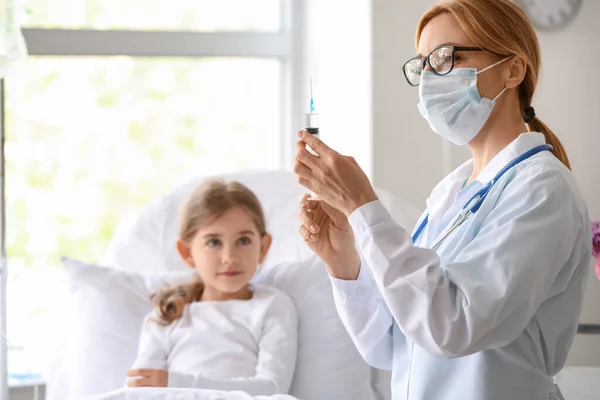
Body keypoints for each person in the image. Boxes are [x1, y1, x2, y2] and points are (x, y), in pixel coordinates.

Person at [293, 0, 591, 399]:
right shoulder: (451, 194)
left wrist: (364, 205)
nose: (430, 79)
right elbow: (392, 345)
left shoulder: (543, 189)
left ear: (512, 69)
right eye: (423, 65)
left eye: (445, 58)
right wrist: (344, 257)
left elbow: (453, 327)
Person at [126, 179, 298, 395]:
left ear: (263, 247)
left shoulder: (272, 305)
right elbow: (138, 387)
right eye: (214, 242)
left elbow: (272, 388)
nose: (229, 257)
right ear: (188, 253)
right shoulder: (169, 315)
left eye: (243, 240)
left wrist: (176, 382)